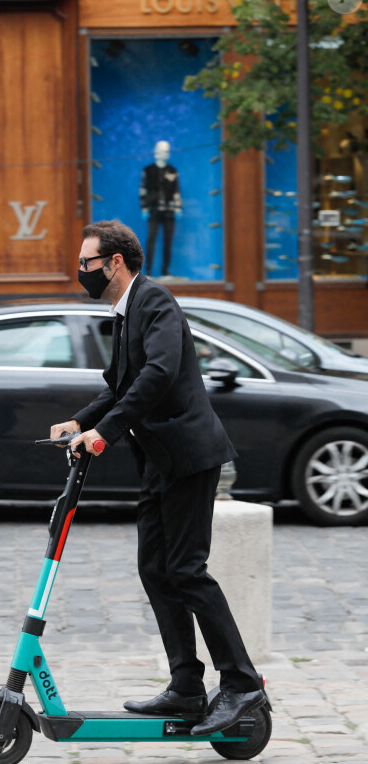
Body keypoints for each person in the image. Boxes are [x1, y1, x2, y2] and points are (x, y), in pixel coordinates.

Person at [50, 220, 265, 736]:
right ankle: (186, 684)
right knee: (155, 568)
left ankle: (241, 683)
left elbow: (160, 373)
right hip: (158, 461)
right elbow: (119, 386)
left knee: (187, 570)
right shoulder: (124, 315)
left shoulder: (156, 303)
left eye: (87, 264)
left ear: (114, 263)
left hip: (188, 458)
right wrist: (82, 421)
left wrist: (106, 433)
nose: (81, 272)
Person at [140, 141, 182, 277]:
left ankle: (165, 271)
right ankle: (148, 271)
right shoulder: (148, 170)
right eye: (161, 150)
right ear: (155, 151)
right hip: (153, 209)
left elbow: (176, 190)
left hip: (169, 211)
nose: (164, 153)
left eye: (167, 150)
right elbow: (143, 189)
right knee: (151, 239)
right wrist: (144, 207)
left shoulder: (172, 171)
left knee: (168, 240)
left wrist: (178, 207)